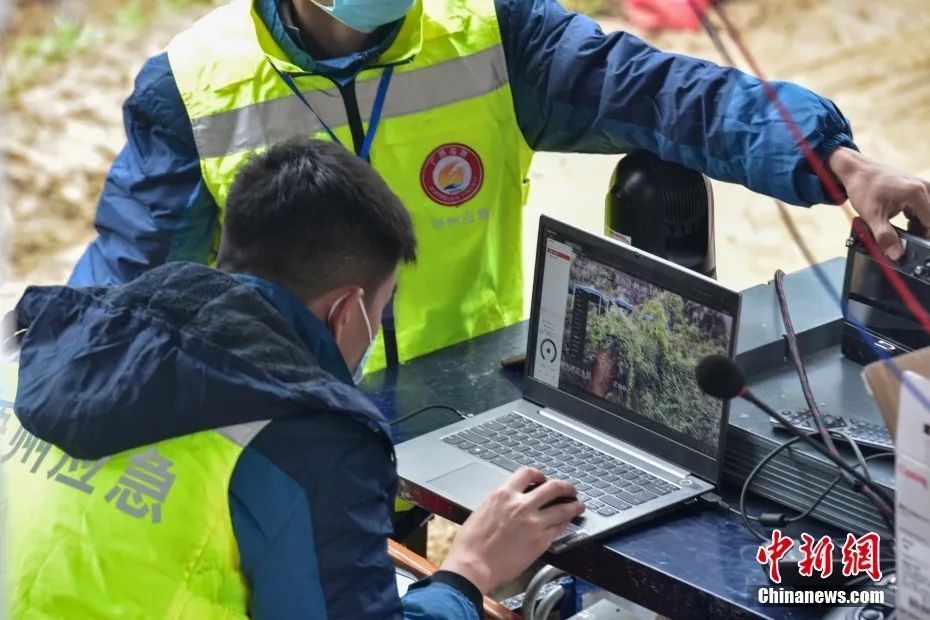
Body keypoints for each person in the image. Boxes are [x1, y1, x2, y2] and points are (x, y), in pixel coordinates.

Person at [67, 0, 930, 373]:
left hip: (457, 398)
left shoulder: (492, 29)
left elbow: (662, 92)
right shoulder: (189, 85)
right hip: (279, 424)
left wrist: (836, 161)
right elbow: (128, 287)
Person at [1, 138, 584, 619]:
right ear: (344, 310)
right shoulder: (307, 441)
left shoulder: (41, 343)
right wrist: (470, 569)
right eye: (380, 312)